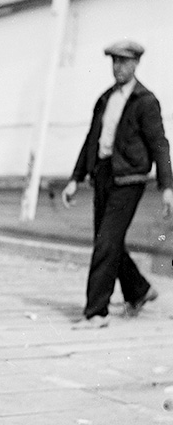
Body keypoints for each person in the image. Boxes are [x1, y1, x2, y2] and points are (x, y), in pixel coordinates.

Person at [62, 40, 173, 329]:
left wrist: (167, 187)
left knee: (106, 242)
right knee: (108, 240)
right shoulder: (105, 98)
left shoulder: (145, 101)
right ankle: (139, 290)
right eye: (114, 61)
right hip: (103, 175)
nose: (117, 67)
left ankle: (96, 313)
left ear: (136, 64)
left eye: (123, 62)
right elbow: (92, 141)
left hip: (130, 180)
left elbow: (160, 145)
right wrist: (75, 179)